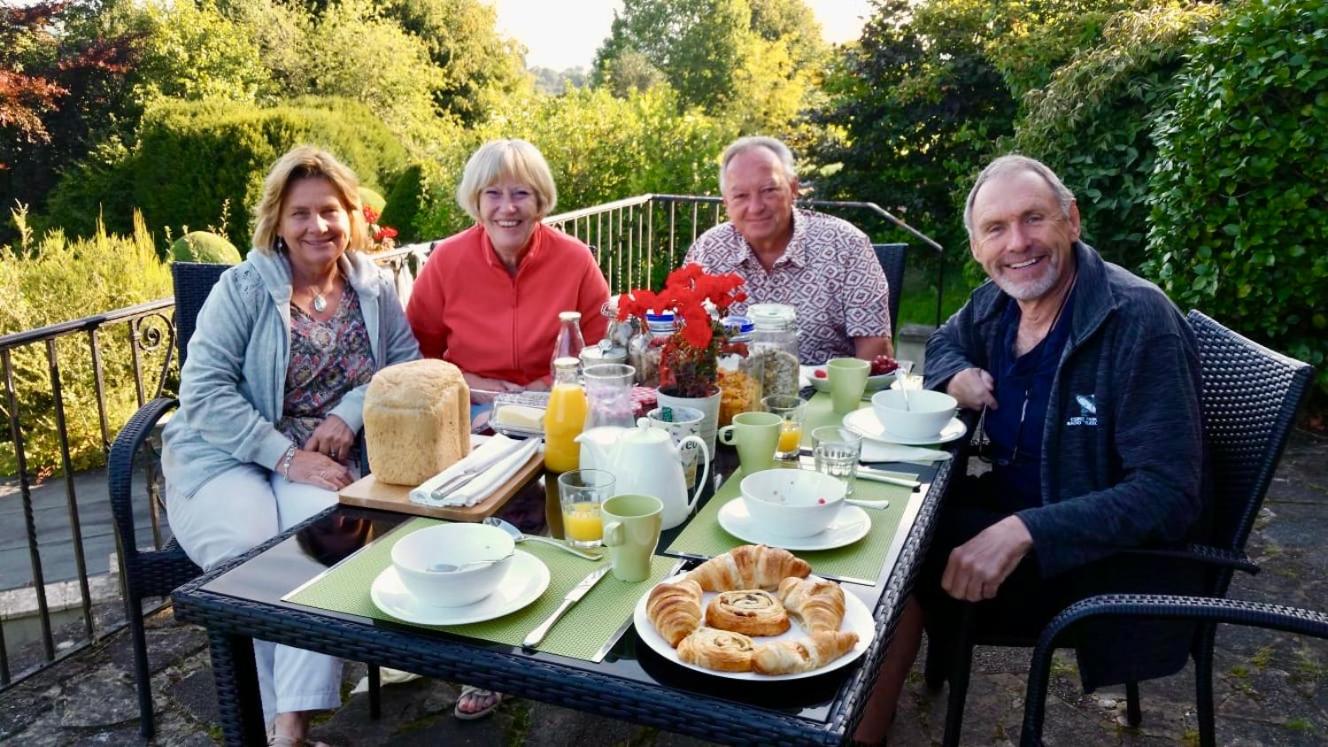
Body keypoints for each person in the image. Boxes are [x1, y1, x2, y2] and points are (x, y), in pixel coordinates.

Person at [854, 155, 1208, 743]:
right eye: (995, 228)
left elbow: (1170, 495)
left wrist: (1023, 531)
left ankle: (856, 728)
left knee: (891, 571)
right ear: (976, 246)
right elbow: (943, 338)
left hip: (1102, 562)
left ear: (1071, 219)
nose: (1017, 243)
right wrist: (955, 370)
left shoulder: (1136, 319)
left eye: (1033, 219)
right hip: (1015, 504)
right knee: (878, 523)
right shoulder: (999, 302)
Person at [162, 146, 420, 746]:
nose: (317, 226)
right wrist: (283, 455)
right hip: (227, 454)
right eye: (301, 213)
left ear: (351, 216)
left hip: (322, 462)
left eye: (330, 210)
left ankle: (288, 729)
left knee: (324, 549)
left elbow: (403, 365)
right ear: (277, 221)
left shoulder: (375, 287)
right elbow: (201, 393)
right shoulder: (244, 288)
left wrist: (349, 412)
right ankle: (285, 734)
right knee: (251, 559)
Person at [407, 139, 610, 400]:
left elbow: (600, 349)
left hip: (558, 400)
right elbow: (416, 352)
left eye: (520, 193)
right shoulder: (446, 260)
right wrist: (468, 384)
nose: (507, 207)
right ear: (476, 202)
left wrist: (546, 385)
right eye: (492, 193)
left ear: (540, 202)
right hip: (469, 405)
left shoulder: (575, 259)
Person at [684, 136, 892, 363]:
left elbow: (875, 347)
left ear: (793, 188)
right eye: (741, 195)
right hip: (729, 393)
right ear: (726, 202)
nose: (755, 207)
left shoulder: (845, 244)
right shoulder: (709, 249)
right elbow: (684, 337)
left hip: (825, 394)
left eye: (768, 190)